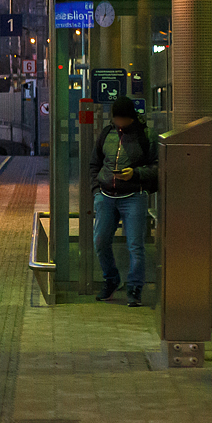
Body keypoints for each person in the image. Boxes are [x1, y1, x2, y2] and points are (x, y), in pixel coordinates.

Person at [89, 96, 157, 307]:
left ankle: (135, 287)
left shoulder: (145, 136)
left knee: (135, 245)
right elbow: (94, 163)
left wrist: (135, 174)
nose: (120, 123)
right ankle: (111, 280)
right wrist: (96, 191)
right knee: (100, 241)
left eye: (124, 120)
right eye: (117, 119)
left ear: (132, 118)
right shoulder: (106, 134)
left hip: (133, 196)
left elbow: (156, 168)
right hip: (106, 196)